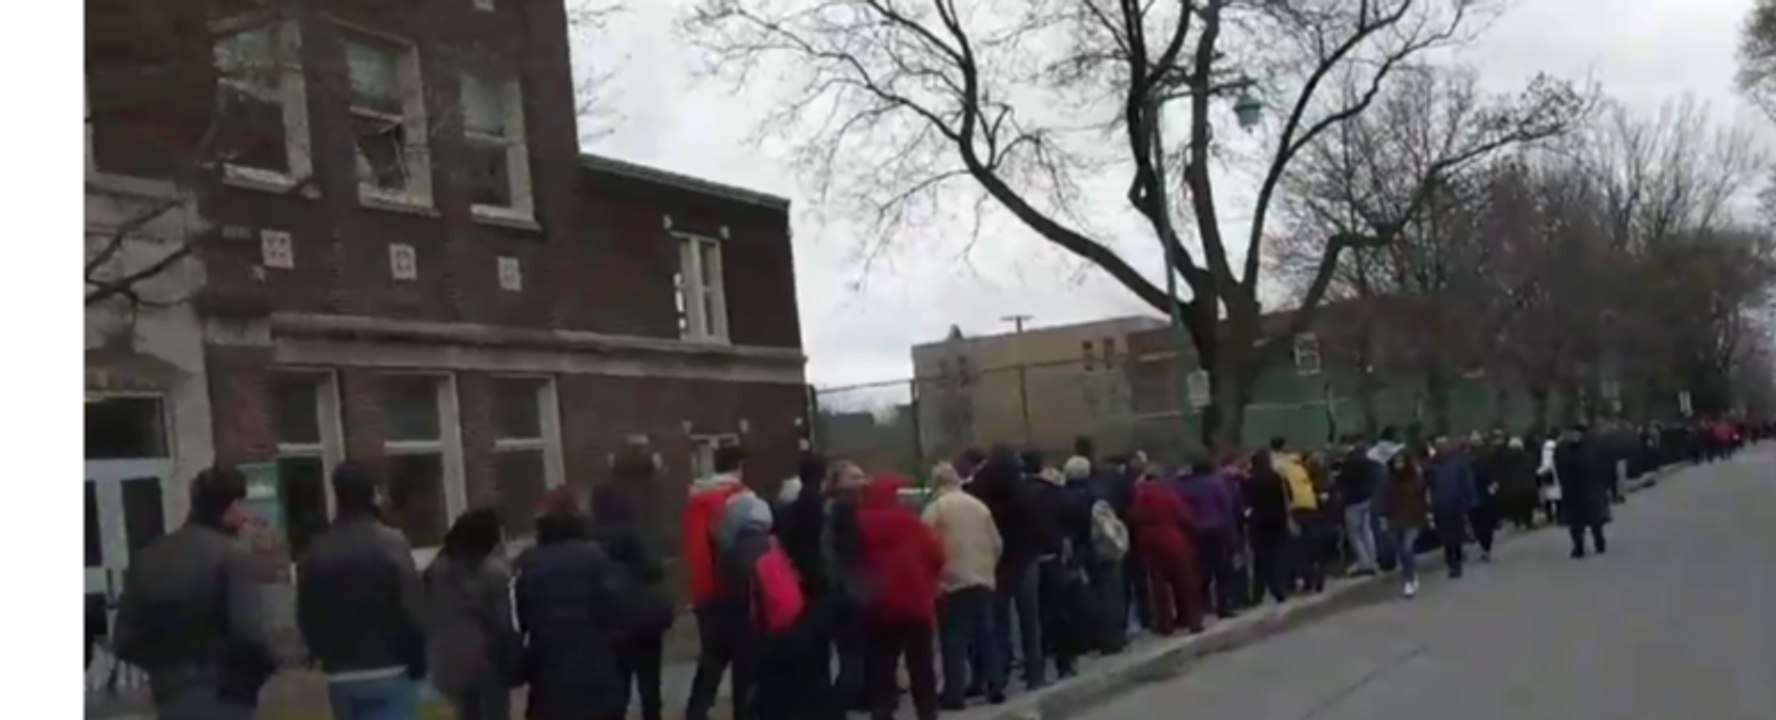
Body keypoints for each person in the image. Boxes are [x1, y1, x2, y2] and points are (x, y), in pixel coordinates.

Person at [112, 467, 276, 720]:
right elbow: (250, 634)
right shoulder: (233, 557)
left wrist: (163, 671)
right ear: (230, 509)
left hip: (170, 696)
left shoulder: (148, 558)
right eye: (243, 506)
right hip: (226, 694)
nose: (247, 516)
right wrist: (267, 667)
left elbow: (124, 639)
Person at [297, 461, 426, 720]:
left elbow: (307, 613)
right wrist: (418, 660)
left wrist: (322, 653)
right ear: (372, 494)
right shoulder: (391, 543)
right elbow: (410, 607)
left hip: (342, 673)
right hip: (389, 666)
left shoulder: (317, 549)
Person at [516, 487, 637, 720]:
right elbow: (620, 613)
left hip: (548, 681)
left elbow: (519, 622)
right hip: (596, 676)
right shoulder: (598, 559)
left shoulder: (528, 564)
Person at [858, 474, 945, 720]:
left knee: (881, 663)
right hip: (914, 602)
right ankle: (926, 711)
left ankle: (883, 710)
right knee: (920, 664)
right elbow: (935, 555)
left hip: (876, 603)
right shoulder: (910, 523)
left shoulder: (858, 524)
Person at [422, 508, 519, 720]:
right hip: (484, 665)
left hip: (443, 668)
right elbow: (502, 626)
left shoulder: (435, 570)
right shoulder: (492, 573)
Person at [923, 462, 1005, 708]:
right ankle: (995, 685)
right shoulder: (979, 507)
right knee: (986, 636)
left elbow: (926, 544)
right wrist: (988, 566)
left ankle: (954, 694)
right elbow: (996, 543)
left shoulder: (936, 509)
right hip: (982, 577)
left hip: (951, 580)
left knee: (954, 640)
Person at [684, 445, 758, 720]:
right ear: (740, 465)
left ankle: (697, 710)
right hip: (737, 588)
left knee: (712, 658)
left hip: (704, 589)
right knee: (745, 658)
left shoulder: (695, 499)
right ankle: (743, 711)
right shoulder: (740, 498)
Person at [967, 446, 1045, 691]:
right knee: (1029, 621)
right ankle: (1034, 672)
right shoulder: (1024, 492)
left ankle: (998, 675)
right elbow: (1037, 524)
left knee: (997, 623)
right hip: (1025, 558)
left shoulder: (981, 493)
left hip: (996, 561)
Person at [1127, 465, 1203, 635]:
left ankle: (1165, 624)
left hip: (1149, 543)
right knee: (1186, 582)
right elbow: (1184, 515)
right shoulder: (1168, 492)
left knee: (1159, 586)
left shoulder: (1138, 494)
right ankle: (1192, 621)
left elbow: (1133, 516)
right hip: (1173, 539)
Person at [822, 460, 872, 713]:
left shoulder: (832, 509)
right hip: (849, 588)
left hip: (843, 586)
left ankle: (851, 696)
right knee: (854, 649)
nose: (862, 481)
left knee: (850, 649)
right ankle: (844, 699)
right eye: (854, 477)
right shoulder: (845, 510)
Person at [1174, 456, 1238, 618]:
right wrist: (1231, 532)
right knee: (1223, 569)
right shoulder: (1216, 483)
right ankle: (1224, 606)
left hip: (1195, 531)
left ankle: (1202, 603)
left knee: (1200, 569)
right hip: (1217, 529)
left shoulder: (1184, 487)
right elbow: (1226, 507)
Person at [1271, 438, 1325, 593]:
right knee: (1311, 544)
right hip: (1311, 505)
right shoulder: (1301, 467)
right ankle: (1315, 577)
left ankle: (1299, 579)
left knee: (1296, 546)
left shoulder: (1281, 467)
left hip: (1295, 508)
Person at [1376, 449, 1429, 597]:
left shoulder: (1415, 479)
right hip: (1396, 520)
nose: (1399, 465)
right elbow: (1384, 500)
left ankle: (1409, 580)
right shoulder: (1389, 481)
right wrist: (1383, 517)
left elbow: (1422, 499)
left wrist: (1425, 515)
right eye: (1396, 462)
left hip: (1413, 519)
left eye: (1401, 462)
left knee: (1407, 549)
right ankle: (1410, 573)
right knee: (1401, 552)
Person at [1243, 451, 1292, 606]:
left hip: (1259, 523)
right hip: (1278, 521)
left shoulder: (1250, 481)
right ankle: (1280, 590)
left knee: (1261, 560)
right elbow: (1287, 497)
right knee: (1278, 557)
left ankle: (1258, 594)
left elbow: (1247, 502)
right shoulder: (1276, 478)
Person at [1425, 439, 1478, 580]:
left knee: (1455, 533)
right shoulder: (1431, 466)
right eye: (1438, 446)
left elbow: (1466, 481)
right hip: (1440, 504)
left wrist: (1469, 499)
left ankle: (1457, 560)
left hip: (1455, 502)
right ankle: (1452, 561)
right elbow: (1427, 487)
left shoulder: (1457, 463)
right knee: (1446, 536)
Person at [1556, 425, 1610, 559]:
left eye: (1578, 434)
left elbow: (1601, 466)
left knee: (1595, 521)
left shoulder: (1592, 448)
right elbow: (1560, 467)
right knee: (1575, 523)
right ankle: (1578, 546)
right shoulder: (1564, 450)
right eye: (1573, 433)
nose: (1575, 436)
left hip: (1591, 488)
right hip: (1572, 491)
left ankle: (1599, 541)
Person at [1335, 437, 1380, 576]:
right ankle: (1372, 560)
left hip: (1353, 501)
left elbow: (1341, 481)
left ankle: (1363, 561)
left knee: (1354, 533)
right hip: (1367, 498)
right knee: (1367, 531)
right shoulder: (1369, 462)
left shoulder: (1348, 463)